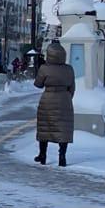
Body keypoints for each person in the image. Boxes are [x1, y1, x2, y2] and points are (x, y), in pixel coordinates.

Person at [34, 38, 75, 166]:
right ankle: (62, 157)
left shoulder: (44, 68)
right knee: (63, 130)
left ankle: (42, 155)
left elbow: (38, 84)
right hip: (65, 100)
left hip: (47, 100)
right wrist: (67, 98)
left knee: (45, 128)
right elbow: (72, 87)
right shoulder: (69, 69)